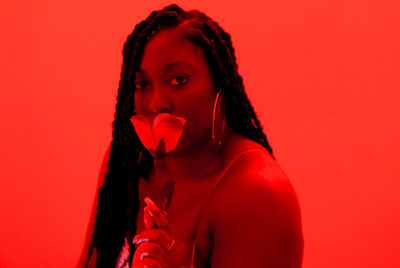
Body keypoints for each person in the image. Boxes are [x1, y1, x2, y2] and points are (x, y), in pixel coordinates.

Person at [77, 4, 303, 268]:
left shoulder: (258, 193)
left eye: (178, 80)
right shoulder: (127, 159)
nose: (156, 103)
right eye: (142, 84)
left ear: (219, 87)